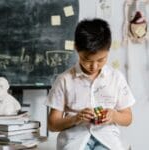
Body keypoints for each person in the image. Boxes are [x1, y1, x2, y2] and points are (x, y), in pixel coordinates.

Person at [46, 18, 135, 150]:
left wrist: (114, 115)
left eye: (101, 60)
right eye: (86, 59)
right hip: (74, 141)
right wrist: (76, 118)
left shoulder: (116, 78)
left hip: (107, 140)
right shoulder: (64, 80)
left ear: (108, 50)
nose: (94, 66)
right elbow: (52, 124)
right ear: (76, 48)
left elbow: (128, 118)